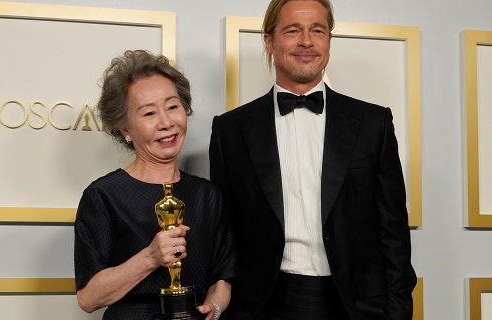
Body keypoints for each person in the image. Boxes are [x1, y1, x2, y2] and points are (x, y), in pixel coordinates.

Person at [208, 0, 416, 319]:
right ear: (269, 39)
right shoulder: (230, 130)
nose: (306, 41)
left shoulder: (373, 123)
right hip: (264, 304)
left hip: (359, 305)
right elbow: (224, 234)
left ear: (328, 40)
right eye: (293, 30)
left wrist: (398, 309)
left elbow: (393, 229)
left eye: (317, 30)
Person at [75, 50, 237, 320]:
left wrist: (215, 307)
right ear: (125, 129)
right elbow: (88, 298)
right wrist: (150, 256)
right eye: (149, 113)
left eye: (173, 107)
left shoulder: (208, 195)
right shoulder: (103, 195)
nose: (166, 123)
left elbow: (224, 275)